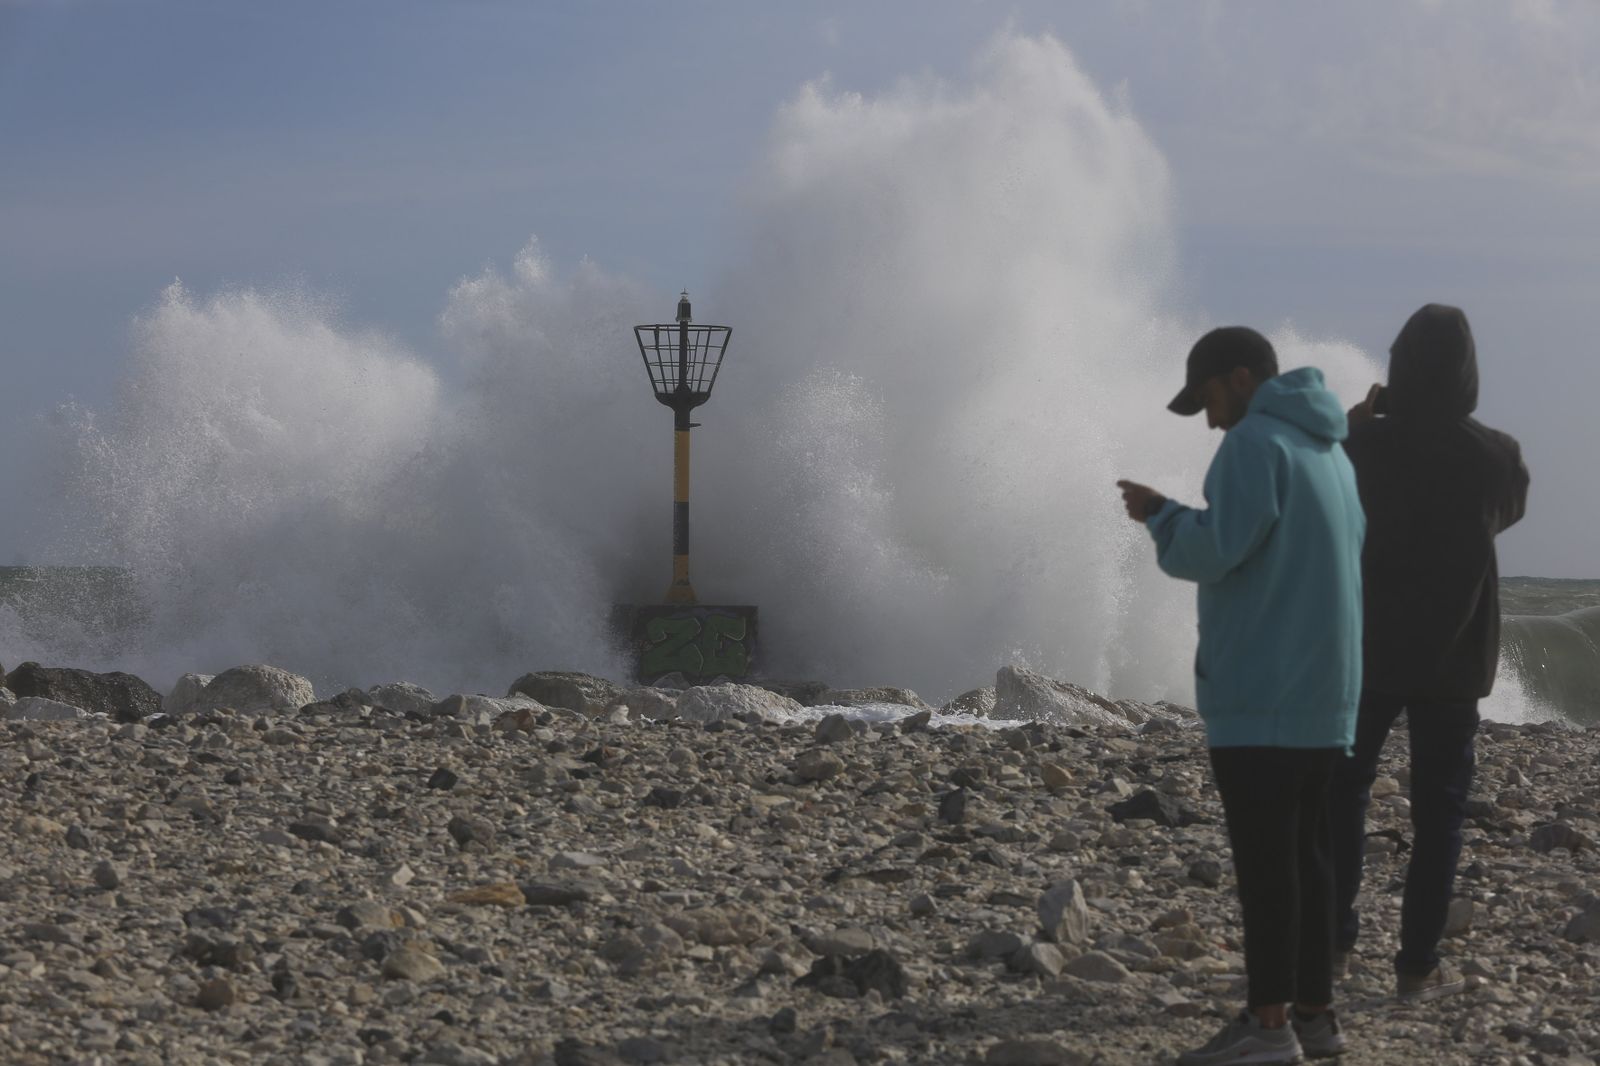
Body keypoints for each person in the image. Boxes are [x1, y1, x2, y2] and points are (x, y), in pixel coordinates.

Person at [1117, 326, 1364, 1065]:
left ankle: (1266, 1029)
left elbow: (1219, 549)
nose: (1208, 418)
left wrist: (1161, 516)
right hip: (1326, 696)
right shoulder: (1329, 453)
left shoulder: (1254, 445)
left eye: (1208, 398)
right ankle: (1315, 1018)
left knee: (1267, 870)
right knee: (1312, 862)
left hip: (1264, 695)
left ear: (1243, 377)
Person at [1329, 304, 1529, 998]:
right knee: (1439, 812)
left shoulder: (1363, 446)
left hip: (1367, 652)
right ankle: (1416, 968)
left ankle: (1332, 948)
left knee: (1343, 795)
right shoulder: (1496, 455)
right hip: (1453, 659)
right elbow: (1511, 509)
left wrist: (1359, 423)